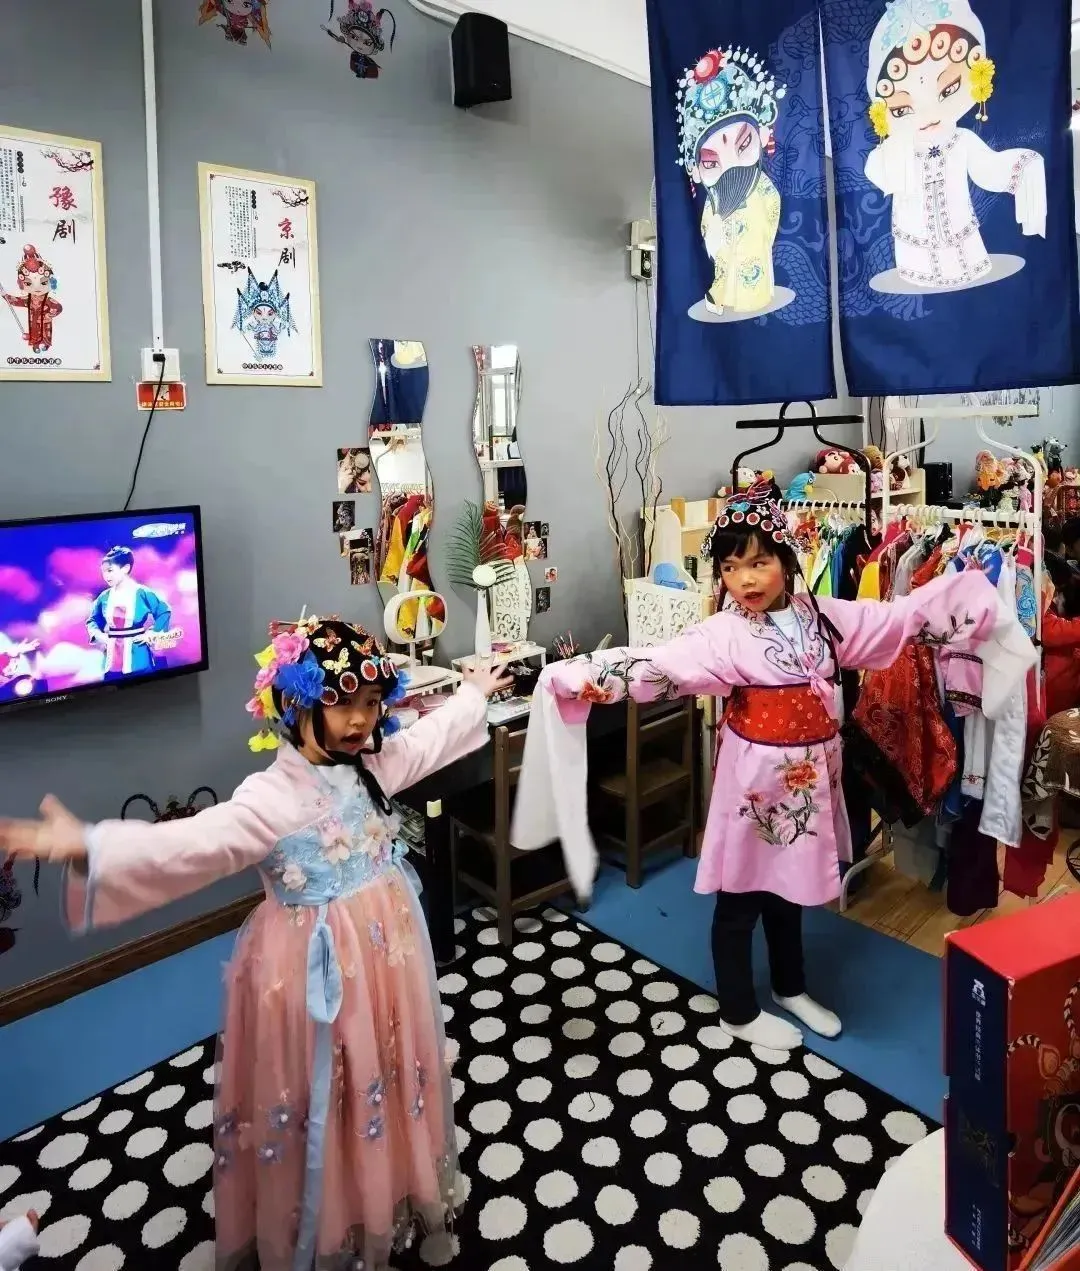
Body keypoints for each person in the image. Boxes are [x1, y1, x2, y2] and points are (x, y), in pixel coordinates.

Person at [0, 616, 511, 1271]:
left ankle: (385, 1184)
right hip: (310, 965)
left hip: (386, 952)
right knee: (323, 1083)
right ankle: (331, 1205)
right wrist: (88, 847)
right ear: (297, 705)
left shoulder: (376, 764)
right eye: (340, 703)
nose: (360, 719)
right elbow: (192, 844)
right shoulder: (269, 798)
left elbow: (431, 739)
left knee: (380, 1063)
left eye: (369, 702)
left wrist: (474, 693)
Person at [512, 481, 1037, 1052]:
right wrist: (580, 674)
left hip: (808, 786)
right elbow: (660, 662)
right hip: (753, 790)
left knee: (788, 892)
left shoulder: (823, 618)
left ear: (786, 560)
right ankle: (737, 1010)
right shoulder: (723, 634)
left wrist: (965, 595)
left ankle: (791, 987)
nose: (746, 580)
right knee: (740, 900)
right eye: (731, 568)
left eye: (759, 562)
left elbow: (893, 619)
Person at [85, 547, 172, 680]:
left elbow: (164, 611)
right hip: (112, 657)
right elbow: (93, 620)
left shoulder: (142, 592)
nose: (106, 576)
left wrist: (151, 633)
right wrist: (100, 636)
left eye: (110, 570)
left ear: (125, 568)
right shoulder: (104, 597)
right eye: (104, 572)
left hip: (138, 654)